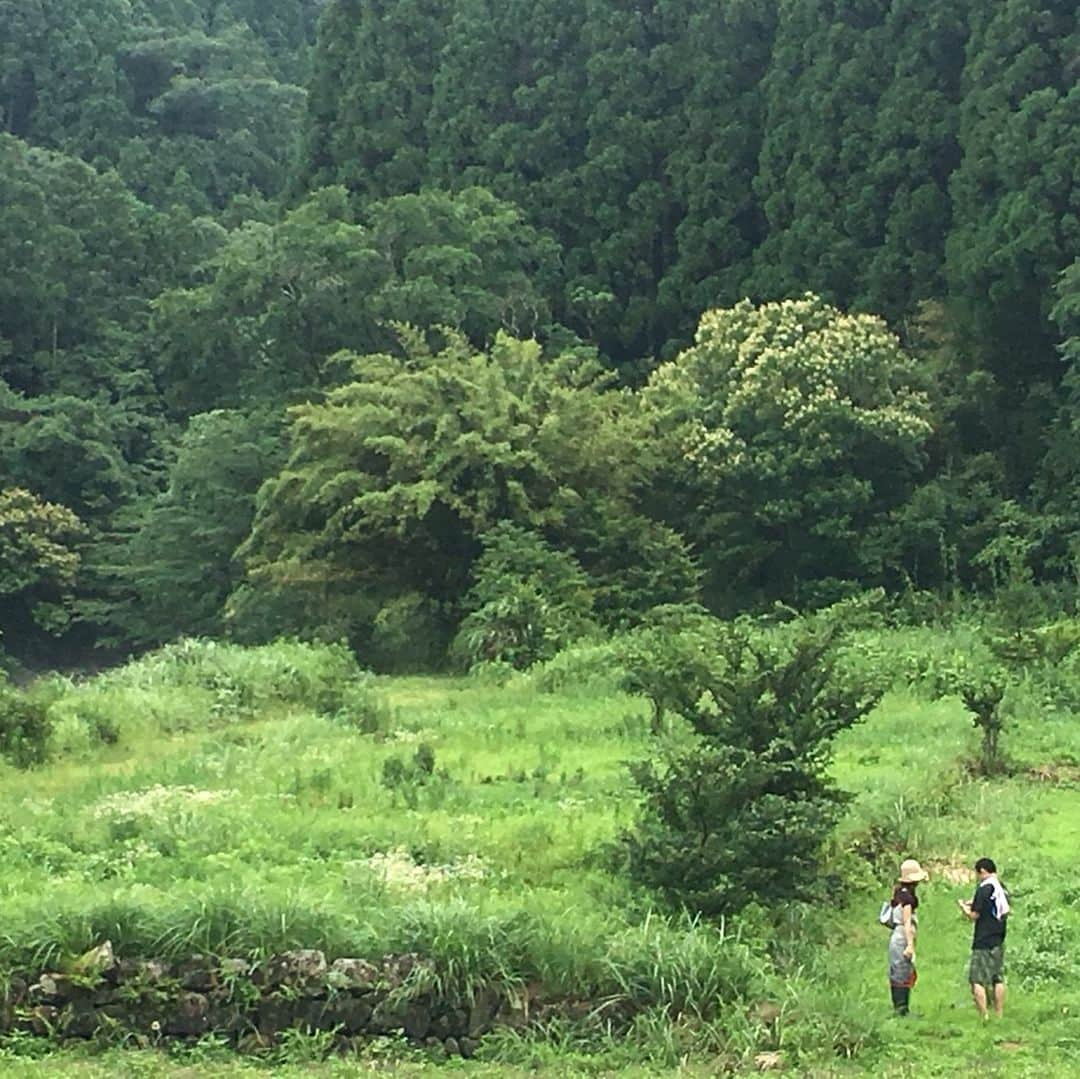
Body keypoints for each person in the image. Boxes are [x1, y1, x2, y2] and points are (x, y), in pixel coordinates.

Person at [958, 856, 1010, 1018]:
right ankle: (999, 1013)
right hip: (999, 938)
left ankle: (984, 1016)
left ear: (982, 871)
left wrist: (963, 908)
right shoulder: (1001, 887)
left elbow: (974, 915)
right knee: (997, 978)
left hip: (983, 939)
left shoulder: (984, 888)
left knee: (977, 979)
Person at [887, 858, 928, 1015]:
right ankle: (902, 1009)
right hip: (902, 936)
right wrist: (910, 945)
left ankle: (900, 1008)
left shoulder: (898, 893)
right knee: (903, 971)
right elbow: (907, 921)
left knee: (898, 969)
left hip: (897, 935)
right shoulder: (908, 900)